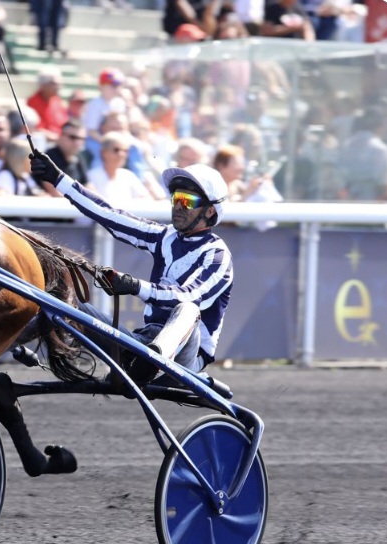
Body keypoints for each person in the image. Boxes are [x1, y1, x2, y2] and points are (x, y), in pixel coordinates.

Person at [30, 149, 234, 383]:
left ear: (210, 210)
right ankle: (9, 341)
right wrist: (58, 179)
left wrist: (135, 286)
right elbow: (109, 215)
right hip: (145, 341)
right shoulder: (164, 236)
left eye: (188, 201)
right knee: (69, 306)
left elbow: (188, 295)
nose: (178, 206)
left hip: (187, 358)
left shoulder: (217, 255)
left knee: (187, 308)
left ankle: (151, 361)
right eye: (176, 198)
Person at [86, 131, 155, 206]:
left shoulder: (128, 175)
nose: (121, 154)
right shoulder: (90, 176)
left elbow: (146, 200)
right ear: (103, 152)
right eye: (116, 150)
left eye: (125, 151)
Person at [40, 118, 89, 191]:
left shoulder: (79, 157)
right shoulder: (48, 159)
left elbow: (88, 185)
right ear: (60, 136)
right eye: (73, 137)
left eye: (82, 139)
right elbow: (55, 193)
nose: (77, 142)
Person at [26, 67, 69, 140]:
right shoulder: (32, 102)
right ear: (43, 85)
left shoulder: (58, 101)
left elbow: (65, 122)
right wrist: (57, 138)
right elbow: (34, 128)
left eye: (59, 84)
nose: (58, 87)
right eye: (54, 84)